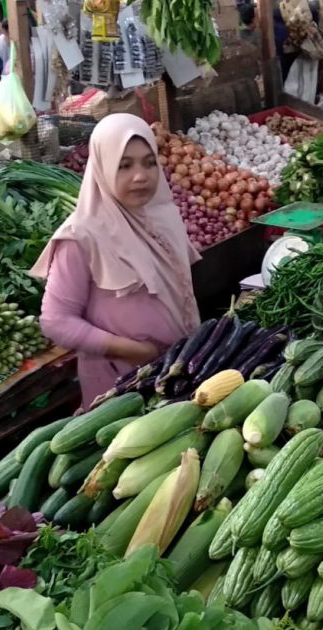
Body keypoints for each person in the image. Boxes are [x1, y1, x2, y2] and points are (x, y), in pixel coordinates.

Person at [31, 114, 202, 409]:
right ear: (102, 167)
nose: (140, 176)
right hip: (120, 383)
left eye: (149, 163)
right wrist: (132, 350)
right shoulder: (81, 236)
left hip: (178, 370)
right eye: (124, 166)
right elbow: (55, 321)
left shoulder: (164, 218)